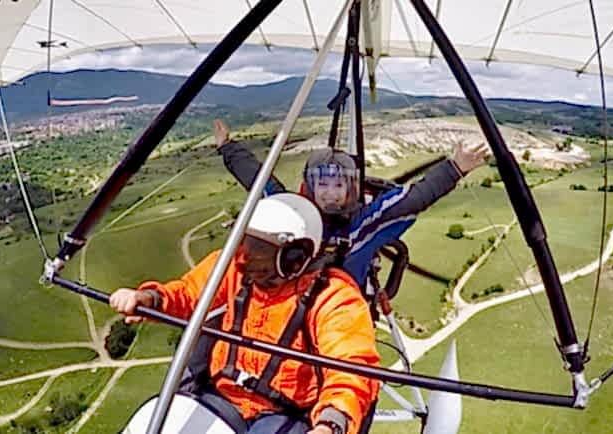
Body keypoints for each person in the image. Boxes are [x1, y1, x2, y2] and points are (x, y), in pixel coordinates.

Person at [110, 193, 380, 434]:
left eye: (258, 250)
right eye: (243, 243)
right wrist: (150, 299)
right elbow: (190, 293)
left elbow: (352, 367)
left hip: (283, 414)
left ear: (294, 258)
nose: (243, 257)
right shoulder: (233, 269)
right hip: (221, 396)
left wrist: (330, 424)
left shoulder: (333, 296)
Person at [213, 119, 488, 289]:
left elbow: (411, 199)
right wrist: (228, 148)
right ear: (310, 186)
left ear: (350, 189)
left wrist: (454, 169)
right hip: (295, 309)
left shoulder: (362, 225)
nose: (330, 194)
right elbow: (260, 181)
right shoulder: (294, 217)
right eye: (322, 185)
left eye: (338, 185)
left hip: (340, 311)